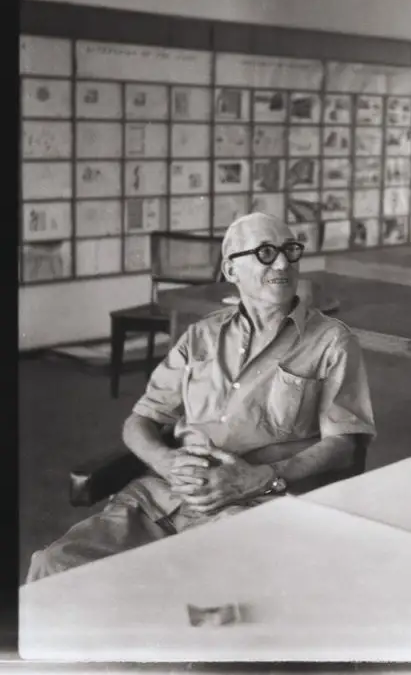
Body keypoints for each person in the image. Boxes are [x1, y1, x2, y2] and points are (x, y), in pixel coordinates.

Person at [27, 213, 376, 582]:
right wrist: (164, 461)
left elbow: (344, 446)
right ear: (230, 270)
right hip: (160, 498)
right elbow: (141, 421)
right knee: (54, 568)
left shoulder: (332, 342)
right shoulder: (201, 337)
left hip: (252, 506)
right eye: (265, 252)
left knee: (194, 595)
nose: (283, 263)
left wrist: (263, 477)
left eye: (291, 250)